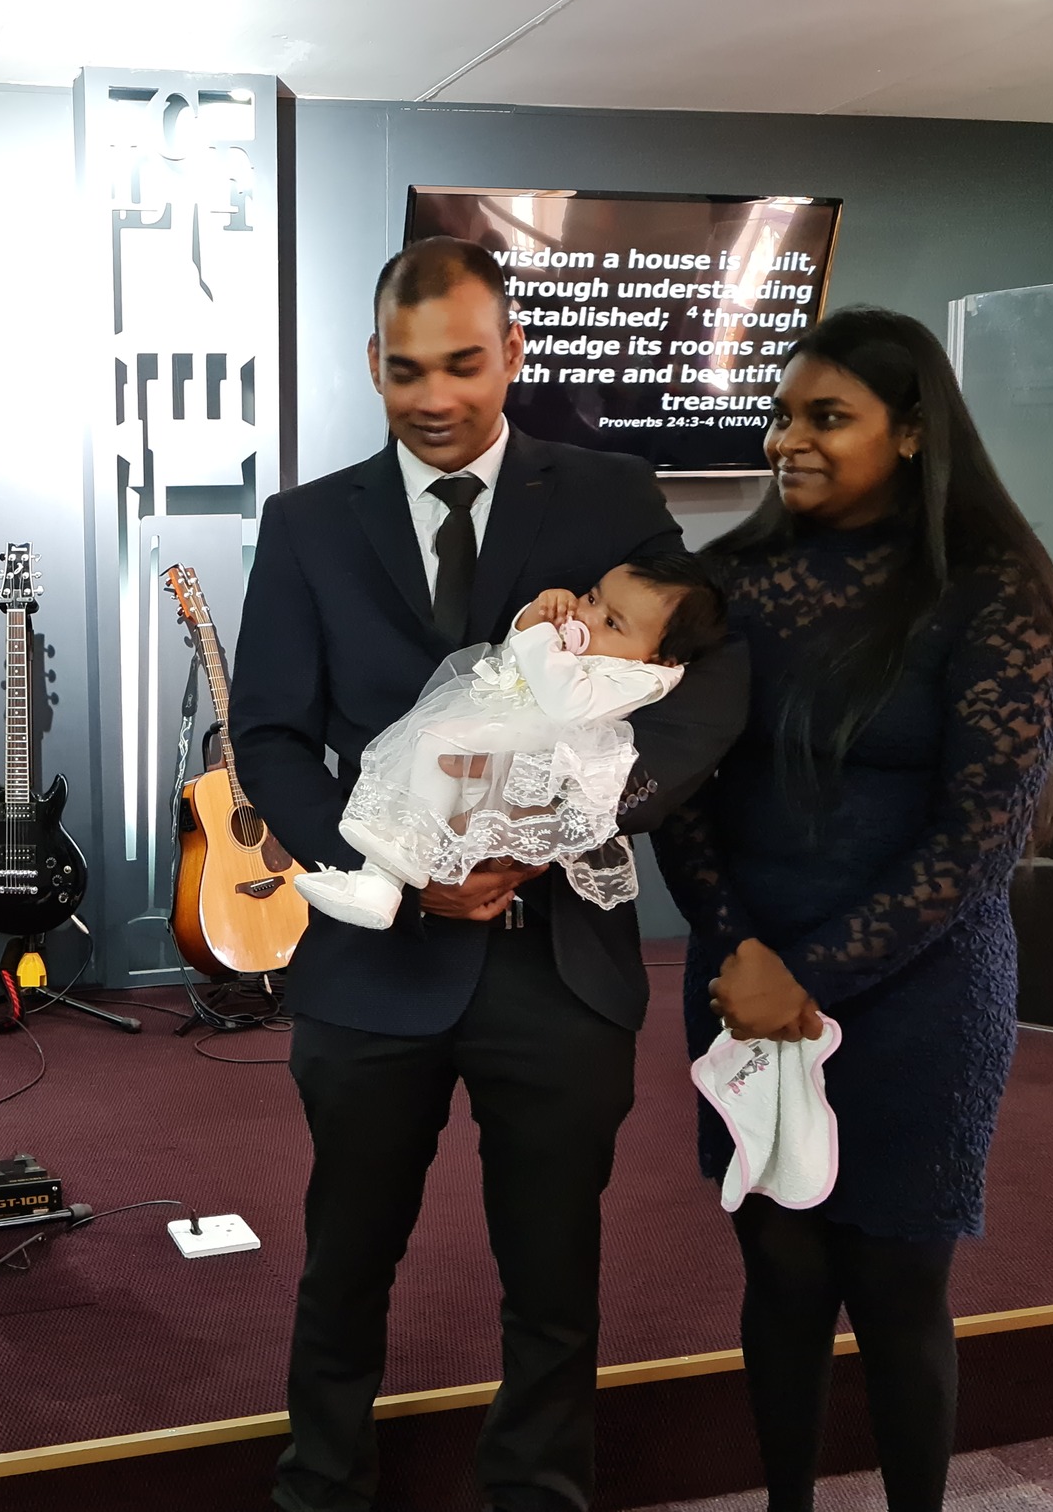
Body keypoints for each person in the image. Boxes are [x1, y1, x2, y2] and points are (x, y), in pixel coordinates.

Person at [231, 236, 751, 1512]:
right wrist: (399, 867)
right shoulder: (305, 524)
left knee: (551, 1277)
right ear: (371, 363)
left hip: (555, 966)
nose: (434, 396)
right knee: (342, 1264)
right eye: (406, 368)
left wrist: (557, 827)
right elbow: (269, 735)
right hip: (373, 962)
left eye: (463, 363)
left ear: (511, 353)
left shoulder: (609, 492)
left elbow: (701, 680)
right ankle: (320, 1488)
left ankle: (536, 1493)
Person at [652, 307, 1053, 1512]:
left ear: (912, 432)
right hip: (741, 979)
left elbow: (978, 837)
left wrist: (804, 976)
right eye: (781, 414)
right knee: (779, 1279)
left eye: (825, 417)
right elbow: (679, 792)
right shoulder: (728, 583)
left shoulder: (991, 591)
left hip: (917, 995)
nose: (787, 439)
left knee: (896, 1293)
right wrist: (739, 954)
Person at [297, 552, 729, 928]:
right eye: (592, 597)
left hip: (540, 752)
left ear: (661, 656)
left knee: (437, 746)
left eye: (612, 622)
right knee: (425, 752)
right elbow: (511, 654)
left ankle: (396, 870)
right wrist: (534, 616)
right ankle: (380, 882)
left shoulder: (642, 677)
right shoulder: (596, 646)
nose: (586, 617)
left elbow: (566, 702)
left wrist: (544, 637)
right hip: (510, 731)